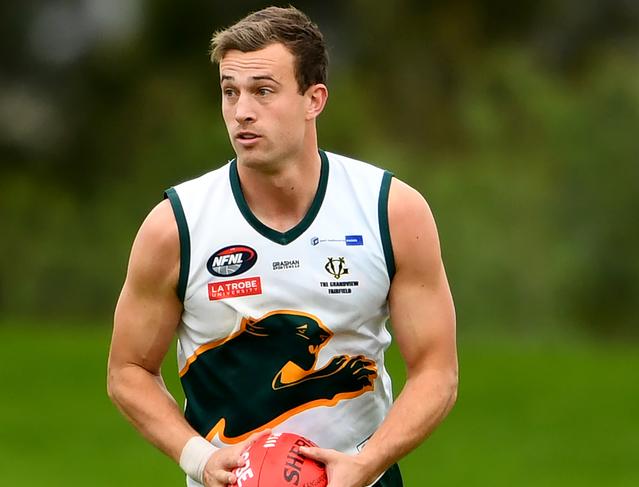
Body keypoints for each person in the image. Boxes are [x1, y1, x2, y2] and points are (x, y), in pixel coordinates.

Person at [107, 6, 457, 487]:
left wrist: (368, 461)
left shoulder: (392, 211)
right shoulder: (176, 226)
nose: (242, 111)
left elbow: (436, 371)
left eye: (263, 91)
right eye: (230, 92)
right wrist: (197, 457)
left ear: (314, 99)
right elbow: (128, 370)